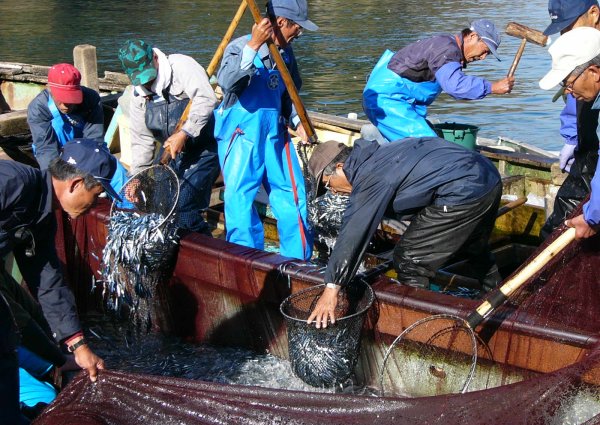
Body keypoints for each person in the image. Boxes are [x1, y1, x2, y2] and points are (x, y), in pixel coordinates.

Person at [305, 138, 502, 328]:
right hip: (488, 177)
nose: (333, 192)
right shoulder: (377, 155)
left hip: (464, 190)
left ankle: (418, 325)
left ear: (340, 167)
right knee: (472, 245)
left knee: (409, 260)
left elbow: (353, 232)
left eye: (327, 184)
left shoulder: (369, 175)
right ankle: (499, 298)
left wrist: (332, 288)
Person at [0, 138, 113, 425]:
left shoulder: (43, 217)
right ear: (76, 183)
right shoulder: (13, 182)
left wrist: (79, 347)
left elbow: (48, 282)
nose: (95, 205)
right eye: (97, 193)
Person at [214, 0, 318, 260]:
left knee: (293, 198)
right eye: (297, 28)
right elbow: (227, 83)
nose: (299, 34)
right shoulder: (239, 47)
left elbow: (289, 96)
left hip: (275, 135)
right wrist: (254, 47)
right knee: (240, 201)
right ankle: (247, 260)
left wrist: (298, 123)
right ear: (281, 23)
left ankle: (298, 262)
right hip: (241, 136)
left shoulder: (286, 53)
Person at [118, 39, 220, 234]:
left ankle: (202, 248)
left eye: (149, 75)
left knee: (183, 207)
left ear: (155, 58)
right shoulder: (138, 95)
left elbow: (206, 99)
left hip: (204, 149)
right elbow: (142, 140)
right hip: (170, 153)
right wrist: (137, 176)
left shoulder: (182, 67)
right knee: (156, 203)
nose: (147, 82)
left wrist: (185, 132)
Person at [362, 19, 514, 142]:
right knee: (429, 149)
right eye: (485, 50)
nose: (482, 57)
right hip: (388, 100)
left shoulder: (448, 47)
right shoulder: (447, 49)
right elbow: (455, 86)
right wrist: (492, 87)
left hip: (401, 101)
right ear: (472, 36)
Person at [539, 0, 600, 239]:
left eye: (569, 26)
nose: (566, 34)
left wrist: (594, 215)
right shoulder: (581, 64)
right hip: (590, 147)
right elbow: (575, 97)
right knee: (559, 225)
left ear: (594, 14)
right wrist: (571, 138)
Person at [27, 63, 128, 197]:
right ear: (49, 88)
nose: (65, 105)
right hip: (56, 151)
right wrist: (57, 184)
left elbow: (94, 141)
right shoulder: (38, 108)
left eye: (70, 99)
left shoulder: (91, 99)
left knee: (119, 177)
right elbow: (46, 149)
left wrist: (94, 176)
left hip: (86, 147)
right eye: (61, 99)